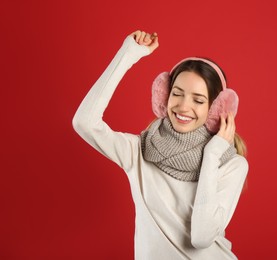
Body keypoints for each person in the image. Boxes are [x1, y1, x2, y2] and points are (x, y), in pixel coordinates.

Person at [72, 30, 249, 259]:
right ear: (163, 96)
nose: (184, 106)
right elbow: (84, 122)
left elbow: (201, 237)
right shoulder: (138, 152)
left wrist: (212, 154)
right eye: (177, 94)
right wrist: (129, 54)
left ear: (217, 109)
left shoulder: (231, 164)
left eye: (198, 100)